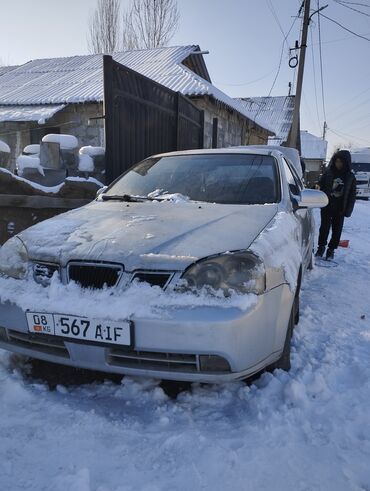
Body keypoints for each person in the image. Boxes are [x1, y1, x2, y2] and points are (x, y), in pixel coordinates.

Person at [315, 149, 356, 260]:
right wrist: (317, 185)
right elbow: (320, 183)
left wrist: (348, 210)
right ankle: (321, 248)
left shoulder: (350, 177)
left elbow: (352, 195)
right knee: (324, 228)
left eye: (341, 162)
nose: (338, 164)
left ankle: (331, 250)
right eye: (337, 161)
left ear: (346, 163)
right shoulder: (328, 173)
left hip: (340, 208)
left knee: (337, 231)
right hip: (327, 206)